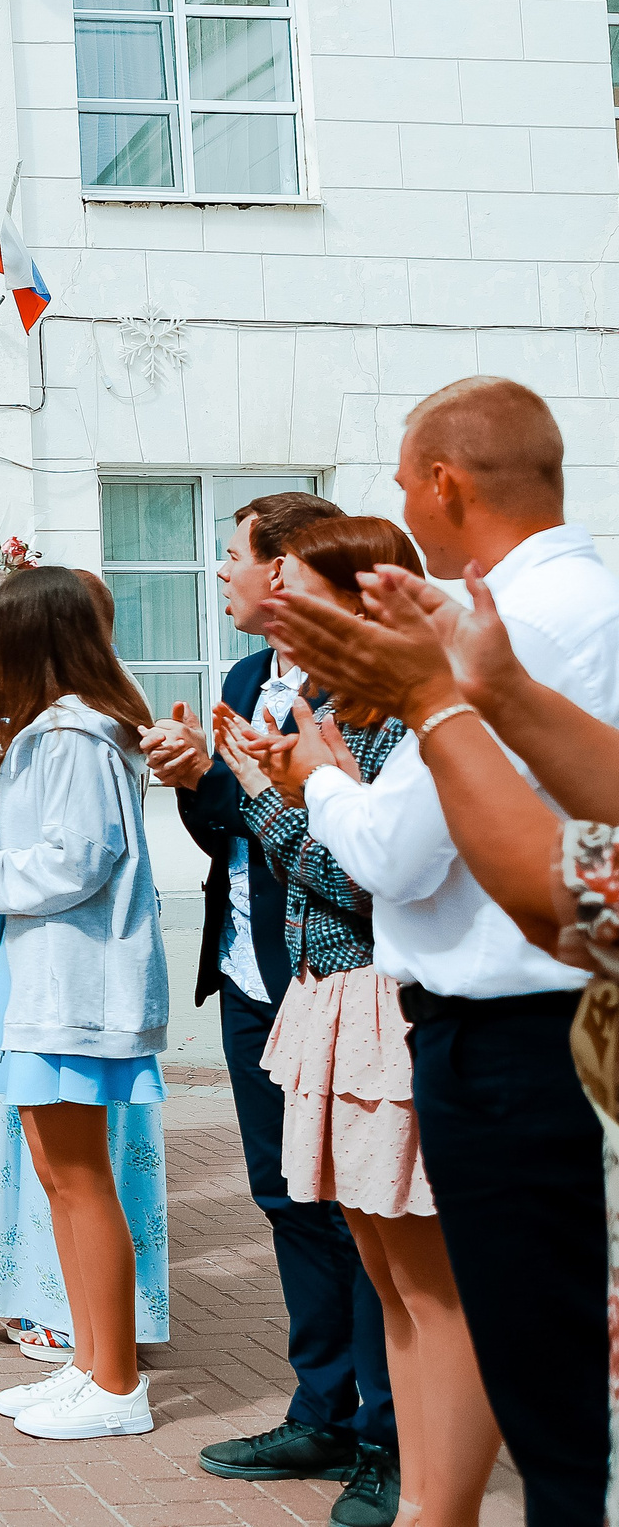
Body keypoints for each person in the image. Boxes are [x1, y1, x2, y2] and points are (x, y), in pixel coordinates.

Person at [265, 378, 619, 1525]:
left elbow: (524, 883)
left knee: (558, 1410)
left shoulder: (533, 616)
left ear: (442, 482)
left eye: (402, 482)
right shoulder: (523, 615)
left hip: (527, 1037)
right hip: (522, 1020)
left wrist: (366, 745)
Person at [224, 518, 491, 1527]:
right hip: (335, 999)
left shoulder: (403, 717)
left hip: (383, 997)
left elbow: (363, 880)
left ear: (355, 601)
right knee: (383, 1273)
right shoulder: (342, 710)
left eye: (294, 588)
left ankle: (425, 1487)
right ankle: (416, 1487)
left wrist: (271, 792)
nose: (277, 606)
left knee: (423, 1283)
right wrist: (274, 782)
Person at [139, 489, 399, 1504]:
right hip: (256, 970)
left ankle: (387, 1434)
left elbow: (345, 854)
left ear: (290, 568)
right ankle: (320, 1408)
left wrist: (251, 785)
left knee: (365, 1211)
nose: (221, 572)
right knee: (286, 1198)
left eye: (236, 553)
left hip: (340, 974)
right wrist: (195, 778)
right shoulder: (245, 678)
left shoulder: (366, 692)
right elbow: (228, 833)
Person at [0, 565, 168, 1442]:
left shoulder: (73, 734)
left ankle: (117, 1381)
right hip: (42, 974)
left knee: (81, 1178)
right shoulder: (55, 732)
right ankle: (90, 1360)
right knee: (58, 1173)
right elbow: (44, 851)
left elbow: (75, 863)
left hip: (72, 979)